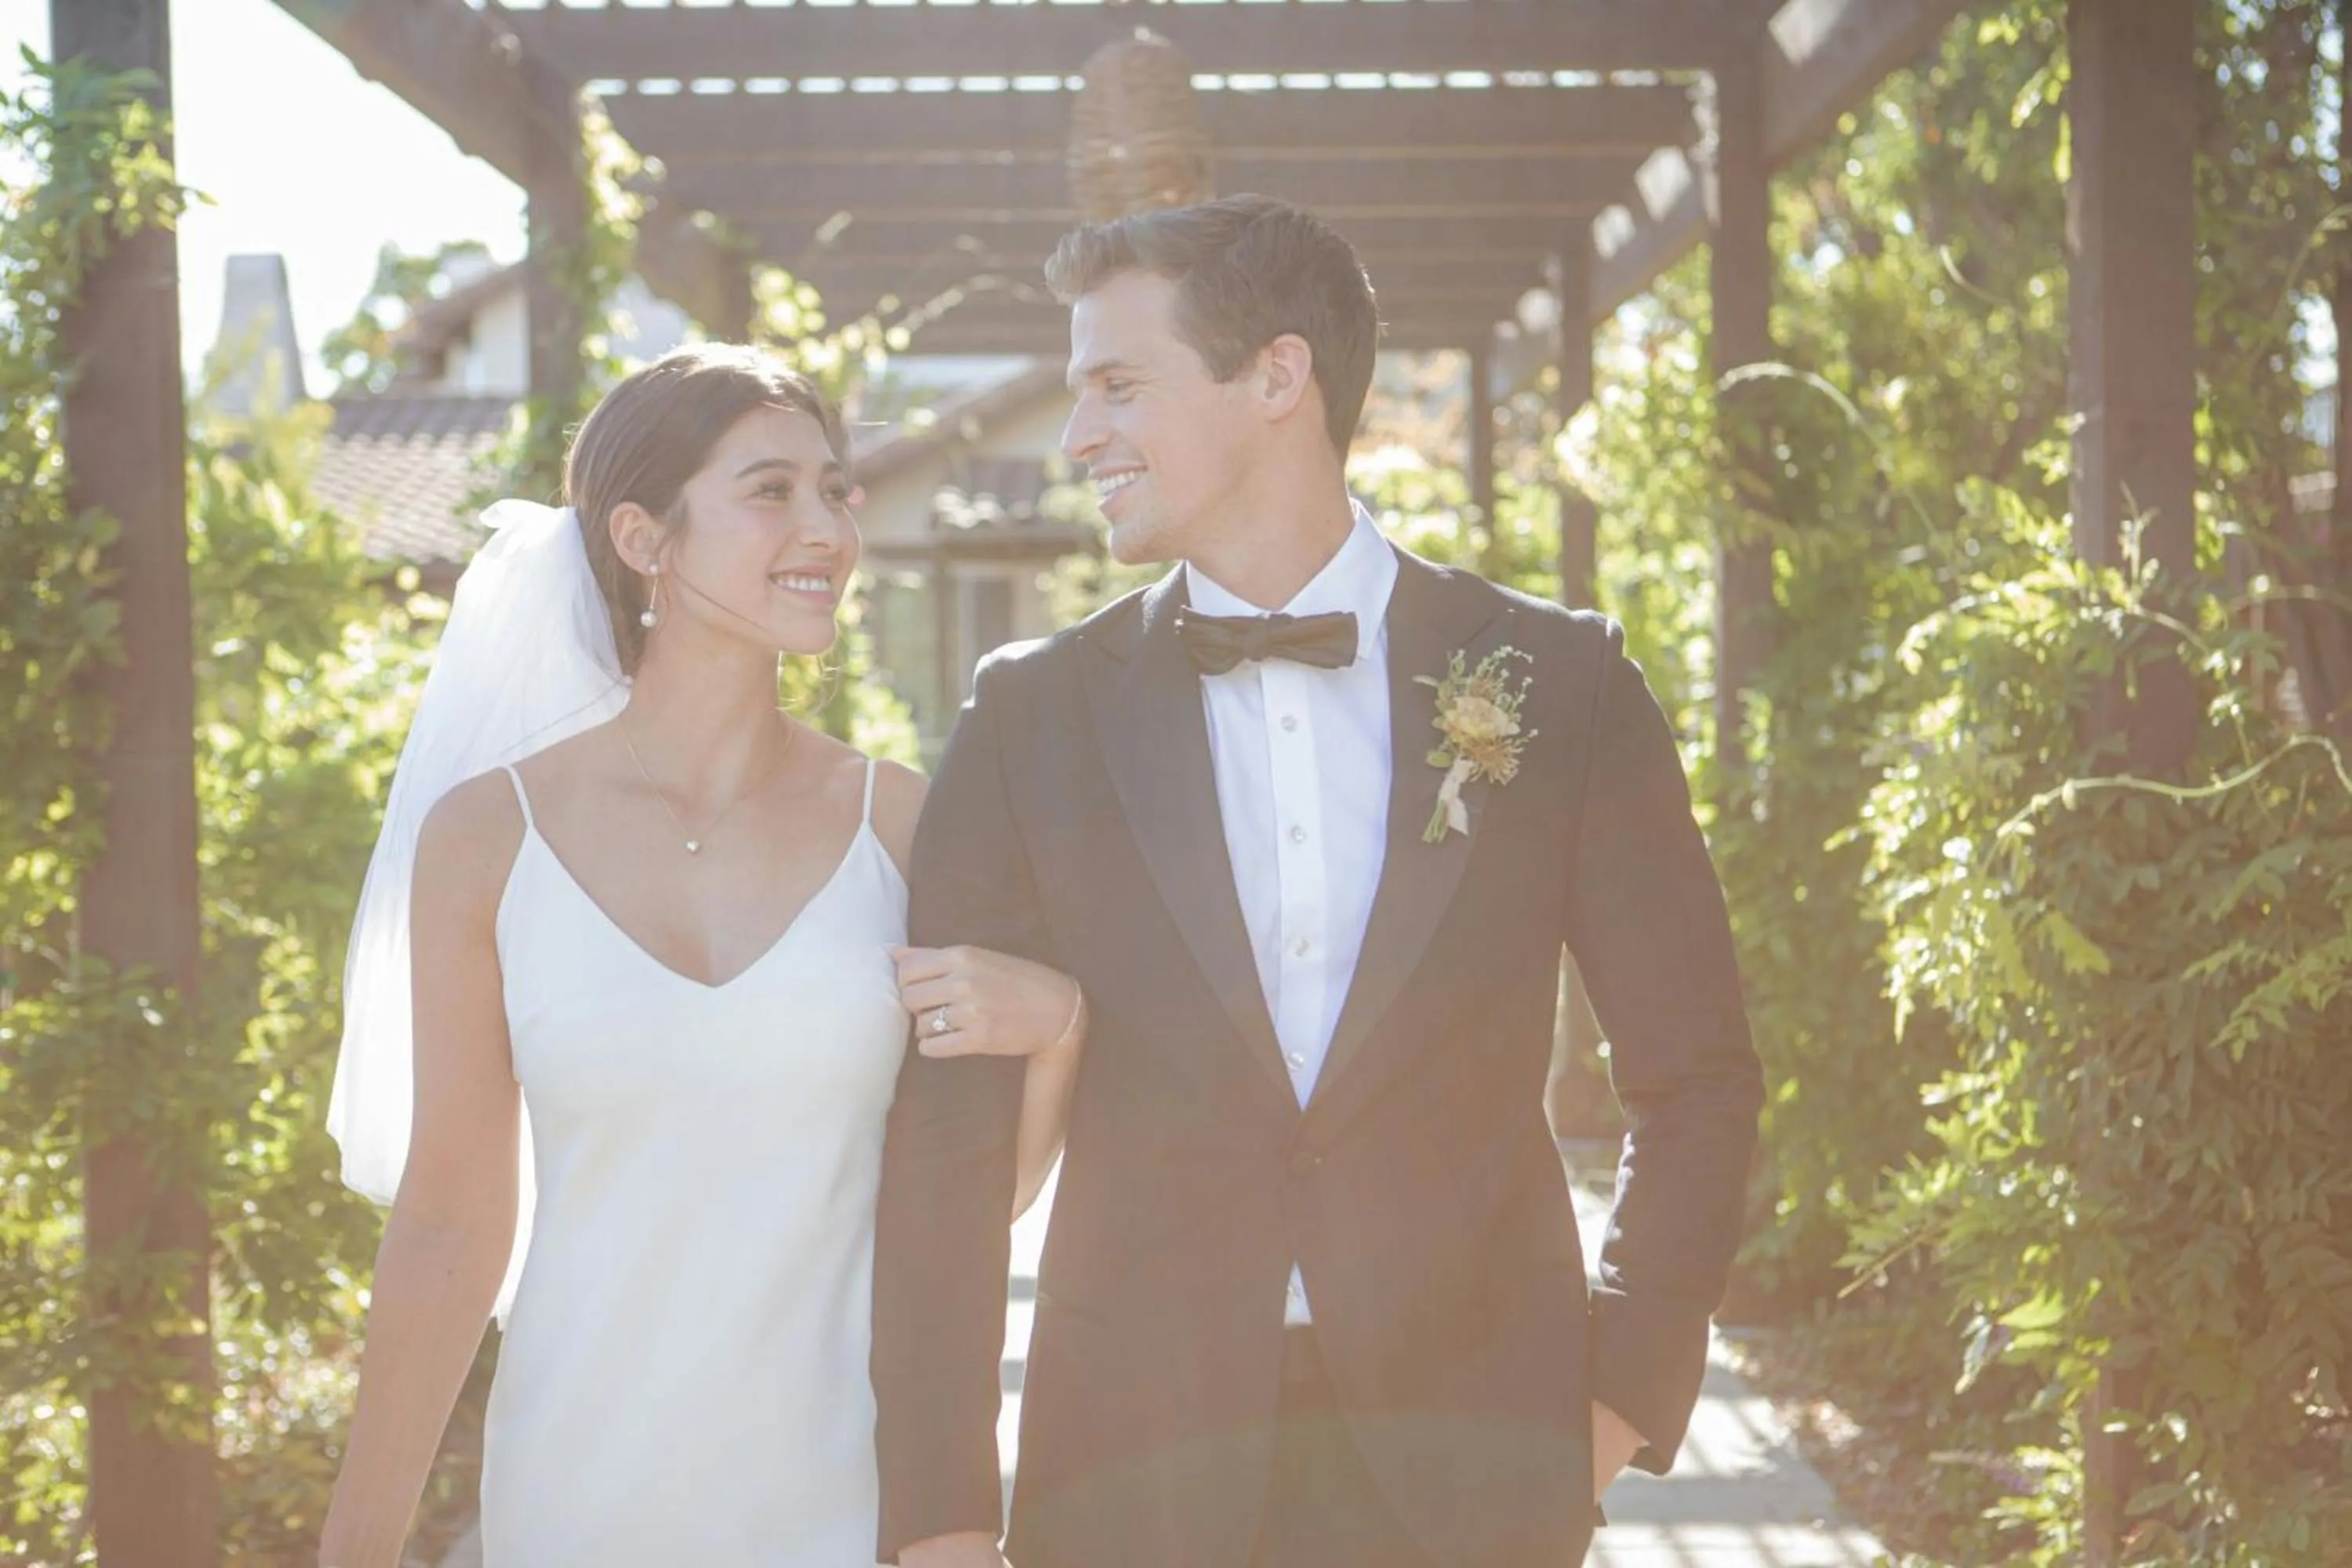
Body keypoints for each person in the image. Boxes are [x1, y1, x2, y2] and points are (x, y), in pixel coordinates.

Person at [871, 196, 1766, 1568]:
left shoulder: (1561, 682)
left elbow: (1694, 1074)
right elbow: (948, 1145)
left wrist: (1609, 1406)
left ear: (1276, 376)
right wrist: (938, 1512)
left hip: (1477, 1479)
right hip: (1131, 1482)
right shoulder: (1028, 717)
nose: (1077, 436)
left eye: (1118, 384)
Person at [317, 344, 1087, 1567]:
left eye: (836, 489)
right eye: (771, 490)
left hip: (839, 1496)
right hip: (576, 1491)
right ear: (644, 539)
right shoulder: (487, 839)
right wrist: (353, 1546)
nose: (829, 526)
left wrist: (1058, 1034)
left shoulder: (902, 823)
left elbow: (960, 1204)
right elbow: (450, 1223)